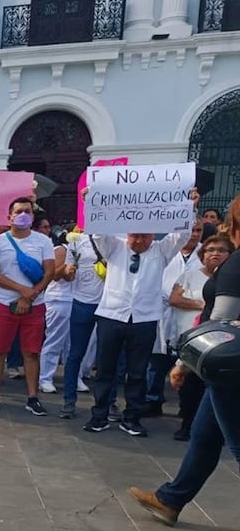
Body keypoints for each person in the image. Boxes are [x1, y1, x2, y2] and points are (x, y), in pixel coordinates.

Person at [127, 197, 240, 531]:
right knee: (205, 436)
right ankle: (172, 498)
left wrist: (183, 363)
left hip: (229, 367)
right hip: (228, 368)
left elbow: (220, 326)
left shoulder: (237, 265)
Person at [81, 188, 199, 436]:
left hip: (144, 319)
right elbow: (99, 231)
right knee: (105, 369)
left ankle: (132, 417)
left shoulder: (161, 250)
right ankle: (99, 414)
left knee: (137, 371)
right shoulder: (115, 248)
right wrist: (92, 203)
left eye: (145, 236)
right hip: (112, 316)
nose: (139, 241)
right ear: (127, 234)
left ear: (152, 236)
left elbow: (181, 234)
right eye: (135, 236)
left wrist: (189, 206)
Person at [0, 197, 55, 415]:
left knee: (31, 352)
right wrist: (21, 290)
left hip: (35, 305)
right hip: (4, 304)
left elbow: (49, 271)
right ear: (9, 217)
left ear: (32, 216)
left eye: (28, 211)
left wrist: (29, 296)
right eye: (19, 211)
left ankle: (33, 397)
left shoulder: (43, 242)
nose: (23, 215)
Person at [166, 234, 233, 440]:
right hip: (195, 341)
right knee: (190, 389)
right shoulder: (192, 276)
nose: (215, 254)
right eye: (210, 250)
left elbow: (221, 315)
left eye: (221, 250)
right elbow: (175, 299)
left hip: (223, 344)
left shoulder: (232, 278)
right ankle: (188, 425)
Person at [146, 219, 204, 417]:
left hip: (191, 315)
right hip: (162, 311)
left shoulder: (205, 255)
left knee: (187, 361)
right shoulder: (167, 251)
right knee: (156, 361)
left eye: (198, 230)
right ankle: (153, 400)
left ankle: (185, 406)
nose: (194, 234)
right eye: (191, 230)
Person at [61, 229, 110, 417]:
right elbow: (68, 273)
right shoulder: (77, 240)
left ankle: (108, 402)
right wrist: (68, 272)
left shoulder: (121, 238)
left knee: (108, 357)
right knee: (75, 353)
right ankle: (69, 400)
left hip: (110, 306)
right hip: (83, 303)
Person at [36, 215, 75, 395]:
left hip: (77, 299)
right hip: (59, 299)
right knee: (55, 339)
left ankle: (74, 376)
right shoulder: (61, 250)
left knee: (73, 343)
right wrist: (66, 269)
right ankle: (45, 378)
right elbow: (53, 275)